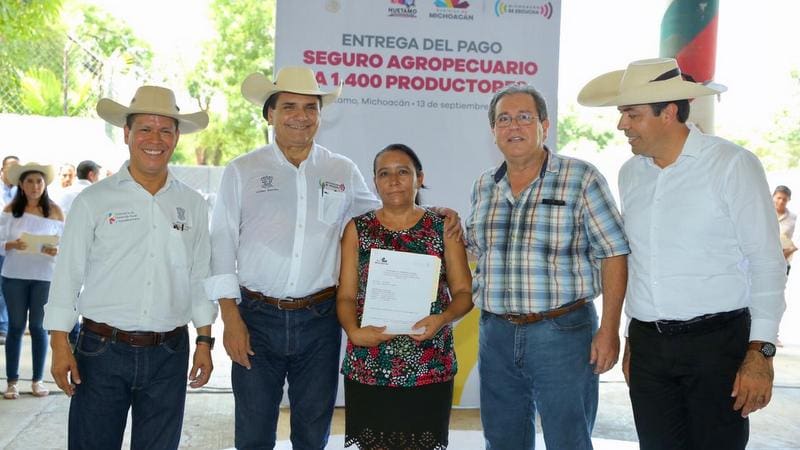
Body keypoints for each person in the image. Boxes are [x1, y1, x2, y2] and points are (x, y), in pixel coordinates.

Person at [208, 66, 460, 449]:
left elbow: (385, 213)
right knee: (254, 430)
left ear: (320, 115)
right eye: (289, 106)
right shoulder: (242, 170)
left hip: (320, 320)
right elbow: (221, 243)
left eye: (310, 107)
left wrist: (435, 212)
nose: (301, 116)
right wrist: (230, 318)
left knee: (313, 430)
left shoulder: (341, 170)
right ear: (270, 114)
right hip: (256, 318)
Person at [578, 57, 787, 449]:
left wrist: (761, 352)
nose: (622, 125)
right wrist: (632, 336)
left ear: (668, 112)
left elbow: (766, 262)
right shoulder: (630, 173)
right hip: (649, 348)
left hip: (717, 345)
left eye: (632, 114)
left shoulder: (732, 164)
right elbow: (641, 262)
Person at [43, 85, 217, 449]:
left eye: (165, 130)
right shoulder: (94, 200)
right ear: (126, 134)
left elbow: (200, 277)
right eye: (145, 129)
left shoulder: (193, 205)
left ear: (176, 137)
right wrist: (59, 343)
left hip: (169, 353)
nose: (155, 139)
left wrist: (204, 340)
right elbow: (67, 276)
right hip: (101, 352)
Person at [466, 84, 630, 449]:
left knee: (568, 440)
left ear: (544, 125)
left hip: (563, 333)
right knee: (502, 439)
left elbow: (614, 253)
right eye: (503, 119)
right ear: (493, 130)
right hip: (496, 334)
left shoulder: (581, 178)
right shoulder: (483, 186)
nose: (513, 126)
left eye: (524, 117)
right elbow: (476, 250)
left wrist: (609, 329)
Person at [337, 144, 473, 449]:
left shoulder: (442, 228)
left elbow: (464, 293)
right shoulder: (358, 229)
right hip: (370, 361)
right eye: (384, 173)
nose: (394, 180)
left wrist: (443, 318)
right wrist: (354, 332)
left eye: (403, 172)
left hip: (429, 362)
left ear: (419, 178)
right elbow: (345, 296)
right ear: (375, 182)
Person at [1, 162, 64, 399]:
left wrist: (56, 250)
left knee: (38, 327)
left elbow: (66, 244)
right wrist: (11, 244)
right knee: (16, 326)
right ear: (21, 184)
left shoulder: (55, 211)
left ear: (45, 184)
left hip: (44, 277)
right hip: (14, 276)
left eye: (39, 181)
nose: (35, 186)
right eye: (29, 181)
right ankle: (12, 382)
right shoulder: (10, 210)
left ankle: (37, 380)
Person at [0, 155, 19, 346]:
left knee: (5, 290)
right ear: (2, 170)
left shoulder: (19, 191)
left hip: (14, 249)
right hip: (2, 243)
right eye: (11, 168)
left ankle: (4, 326)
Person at [774, 185, 796, 276]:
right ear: (773, 197)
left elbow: (797, 241)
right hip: (762, 260)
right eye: (779, 198)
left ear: (789, 200)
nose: (781, 201)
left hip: (783, 262)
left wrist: (790, 251)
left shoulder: (794, 219)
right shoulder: (764, 214)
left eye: (784, 199)